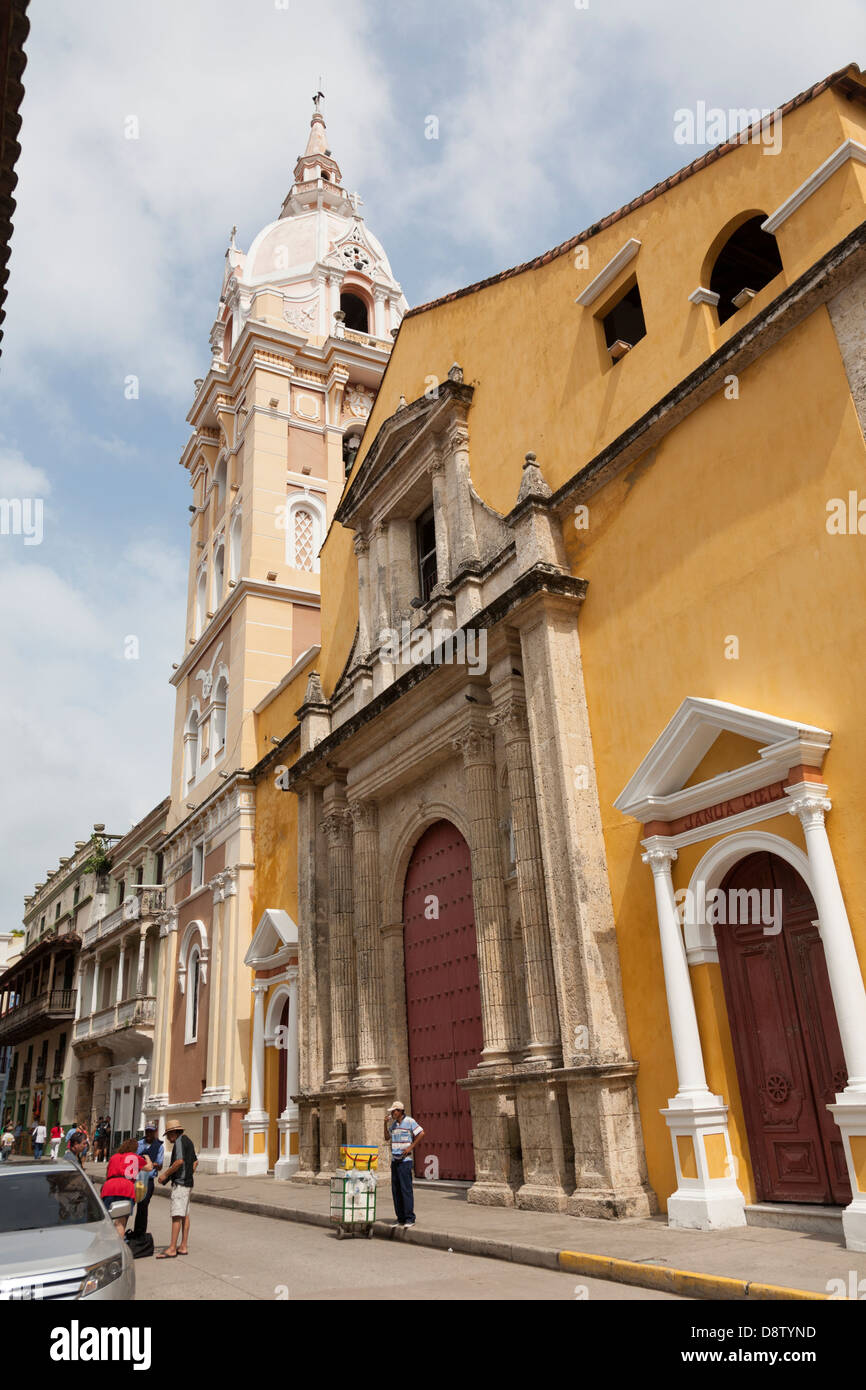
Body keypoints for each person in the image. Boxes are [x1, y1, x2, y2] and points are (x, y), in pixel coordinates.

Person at [155, 1123, 197, 1258]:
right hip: (188, 1183)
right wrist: (189, 1174)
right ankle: (183, 1245)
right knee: (185, 1214)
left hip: (180, 1184)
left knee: (176, 1215)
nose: (168, 1139)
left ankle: (172, 1248)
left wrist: (165, 1174)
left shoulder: (179, 1142)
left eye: (168, 1135)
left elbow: (179, 1162)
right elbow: (195, 1162)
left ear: (174, 1133)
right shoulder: (188, 1141)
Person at [100, 1137, 153, 1240]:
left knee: (106, 1219)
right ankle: (119, 1247)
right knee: (121, 1221)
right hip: (126, 1188)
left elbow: (107, 1174)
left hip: (109, 1187)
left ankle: (104, 1243)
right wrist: (147, 1158)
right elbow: (149, 1168)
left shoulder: (114, 1157)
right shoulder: (135, 1157)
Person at [383, 1101, 424, 1228]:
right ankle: (400, 1218)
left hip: (405, 1162)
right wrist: (384, 1124)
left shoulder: (410, 1121)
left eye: (394, 1111)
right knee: (396, 1190)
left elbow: (421, 1133)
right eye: (391, 1111)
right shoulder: (394, 1125)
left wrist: (410, 1147)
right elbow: (386, 1137)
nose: (392, 1113)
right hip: (395, 1161)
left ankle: (409, 1218)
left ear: (400, 1111)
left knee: (406, 1190)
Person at [132, 1123, 163, 1239]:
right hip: (137, 1179)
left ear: (155, 1132)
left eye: (151, 1132)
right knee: (134, 1204)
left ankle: (140, 1232)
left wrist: (148, 1163)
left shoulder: (159, 1146)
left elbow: (159, 1165)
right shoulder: (139, 1144)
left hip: (148, 1179)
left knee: (143, 1205)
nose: (149, 1134)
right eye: (147, 1131)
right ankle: (136, 1231)